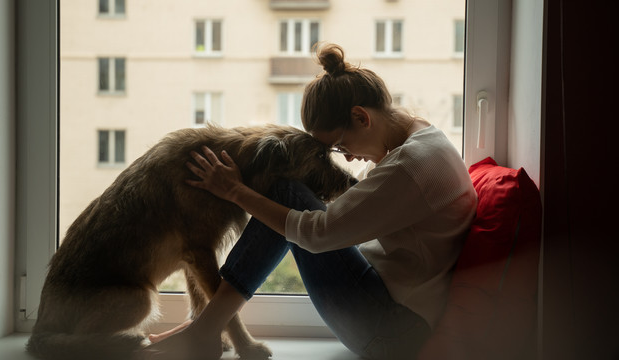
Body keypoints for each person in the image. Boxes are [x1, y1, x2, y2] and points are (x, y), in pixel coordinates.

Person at [140, 43, 477, 360]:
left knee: (288, 195)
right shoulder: (425, 137)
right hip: (396, 313)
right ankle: (207, 325)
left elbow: (317, 234)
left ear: (362, 117)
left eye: (340, 146)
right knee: (292, 203)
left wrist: (234, 191)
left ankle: (206, 327)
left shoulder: (410, 167)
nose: (346, 156)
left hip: (390, 330)